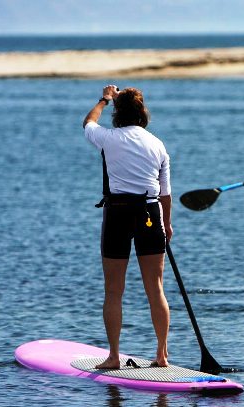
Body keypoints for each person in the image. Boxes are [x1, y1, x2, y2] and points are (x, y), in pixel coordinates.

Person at [83, 85, 172, 368]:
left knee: (113, 290)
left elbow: (88, 122)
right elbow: (165, 193)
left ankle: (113, 357)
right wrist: (167, 225)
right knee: (155, 288)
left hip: (118, 213)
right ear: (142, 112)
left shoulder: (107, 138)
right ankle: (161, 355)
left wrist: (104, 99)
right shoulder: (157, 144)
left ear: (118, 112)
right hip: (150, 212)